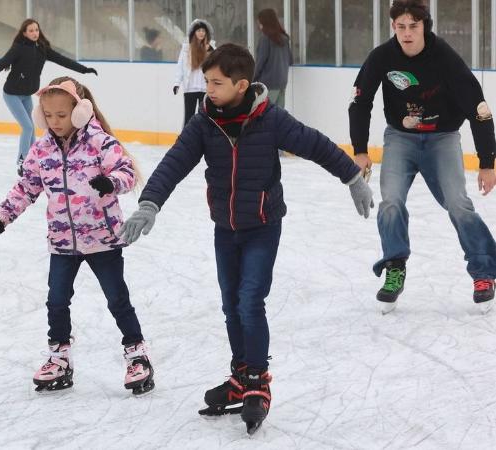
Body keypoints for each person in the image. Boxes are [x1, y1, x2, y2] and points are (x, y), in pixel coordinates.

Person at [119, 44, 373, 433]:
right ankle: (240, 376)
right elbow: (174, 162)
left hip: (262, 226)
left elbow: (316, 144)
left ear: (241, 85)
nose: (208, 89)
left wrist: (351, 176)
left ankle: (257, 380)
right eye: (206, 81)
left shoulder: (270, 119)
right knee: (230, 304)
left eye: (216, 83)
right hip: (226, 228)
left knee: (250, 299)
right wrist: (149, 203)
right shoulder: (205, 121)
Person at [0, 77, 154, 396]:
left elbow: (127, 172)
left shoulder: (99, 142)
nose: (55, 122)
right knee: (57, 300)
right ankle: (59, 357)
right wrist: (1, 216)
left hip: (103, 238)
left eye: (62, 115)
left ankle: (136, 354)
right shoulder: (41, 149)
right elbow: (26, 188)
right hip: (62, 241)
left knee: (117, 298)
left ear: (79, 112)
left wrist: (110, 183)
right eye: (48, 116)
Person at [349, 0, 496, 314]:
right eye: (400, 26)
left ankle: (484, 272)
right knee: (390, 202)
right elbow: (360, 103)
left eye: (412, 26)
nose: (406, 33)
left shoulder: (444, 57)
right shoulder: (382, 57)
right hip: (400, 140)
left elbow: (479, 109)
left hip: (442, 139)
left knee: (458, 203)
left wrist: (487, 162)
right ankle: (395, 266)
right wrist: (360, 150)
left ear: (424, 26)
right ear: (393, 27)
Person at [0, 19, 98, 175]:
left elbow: (62, 60)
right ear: (24, 33)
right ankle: (22, 161)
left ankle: (33, 160)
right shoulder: (18, 49)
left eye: (36, 30)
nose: (34, 33)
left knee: (31, 128)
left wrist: (84, 69)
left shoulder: (42, 49)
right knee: (28, 127)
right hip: (12, 95)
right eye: (30, 30)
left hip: (26, 95)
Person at [173, 19, 214, 127]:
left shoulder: (211, 48)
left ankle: (204, 139)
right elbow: (180, 66)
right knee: (189, 116)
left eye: (203, 31)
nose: (201, 33)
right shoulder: (187, 48)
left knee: (205, 116)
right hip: (190, 87)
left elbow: (216, 65)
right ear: (194, 33)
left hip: (205, 88)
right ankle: (186, 141)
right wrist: (177, 83)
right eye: (198, 30)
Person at [253, 8, 292, 108]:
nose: (259, 24)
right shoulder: (284, 38)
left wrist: (252, 79)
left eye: (260, 22)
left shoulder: (265, 39)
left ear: (264, 22)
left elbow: (260, 63)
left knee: (265, 114)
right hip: (282, 83)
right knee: (278, 115)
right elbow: (290, 60)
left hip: (268, 84)